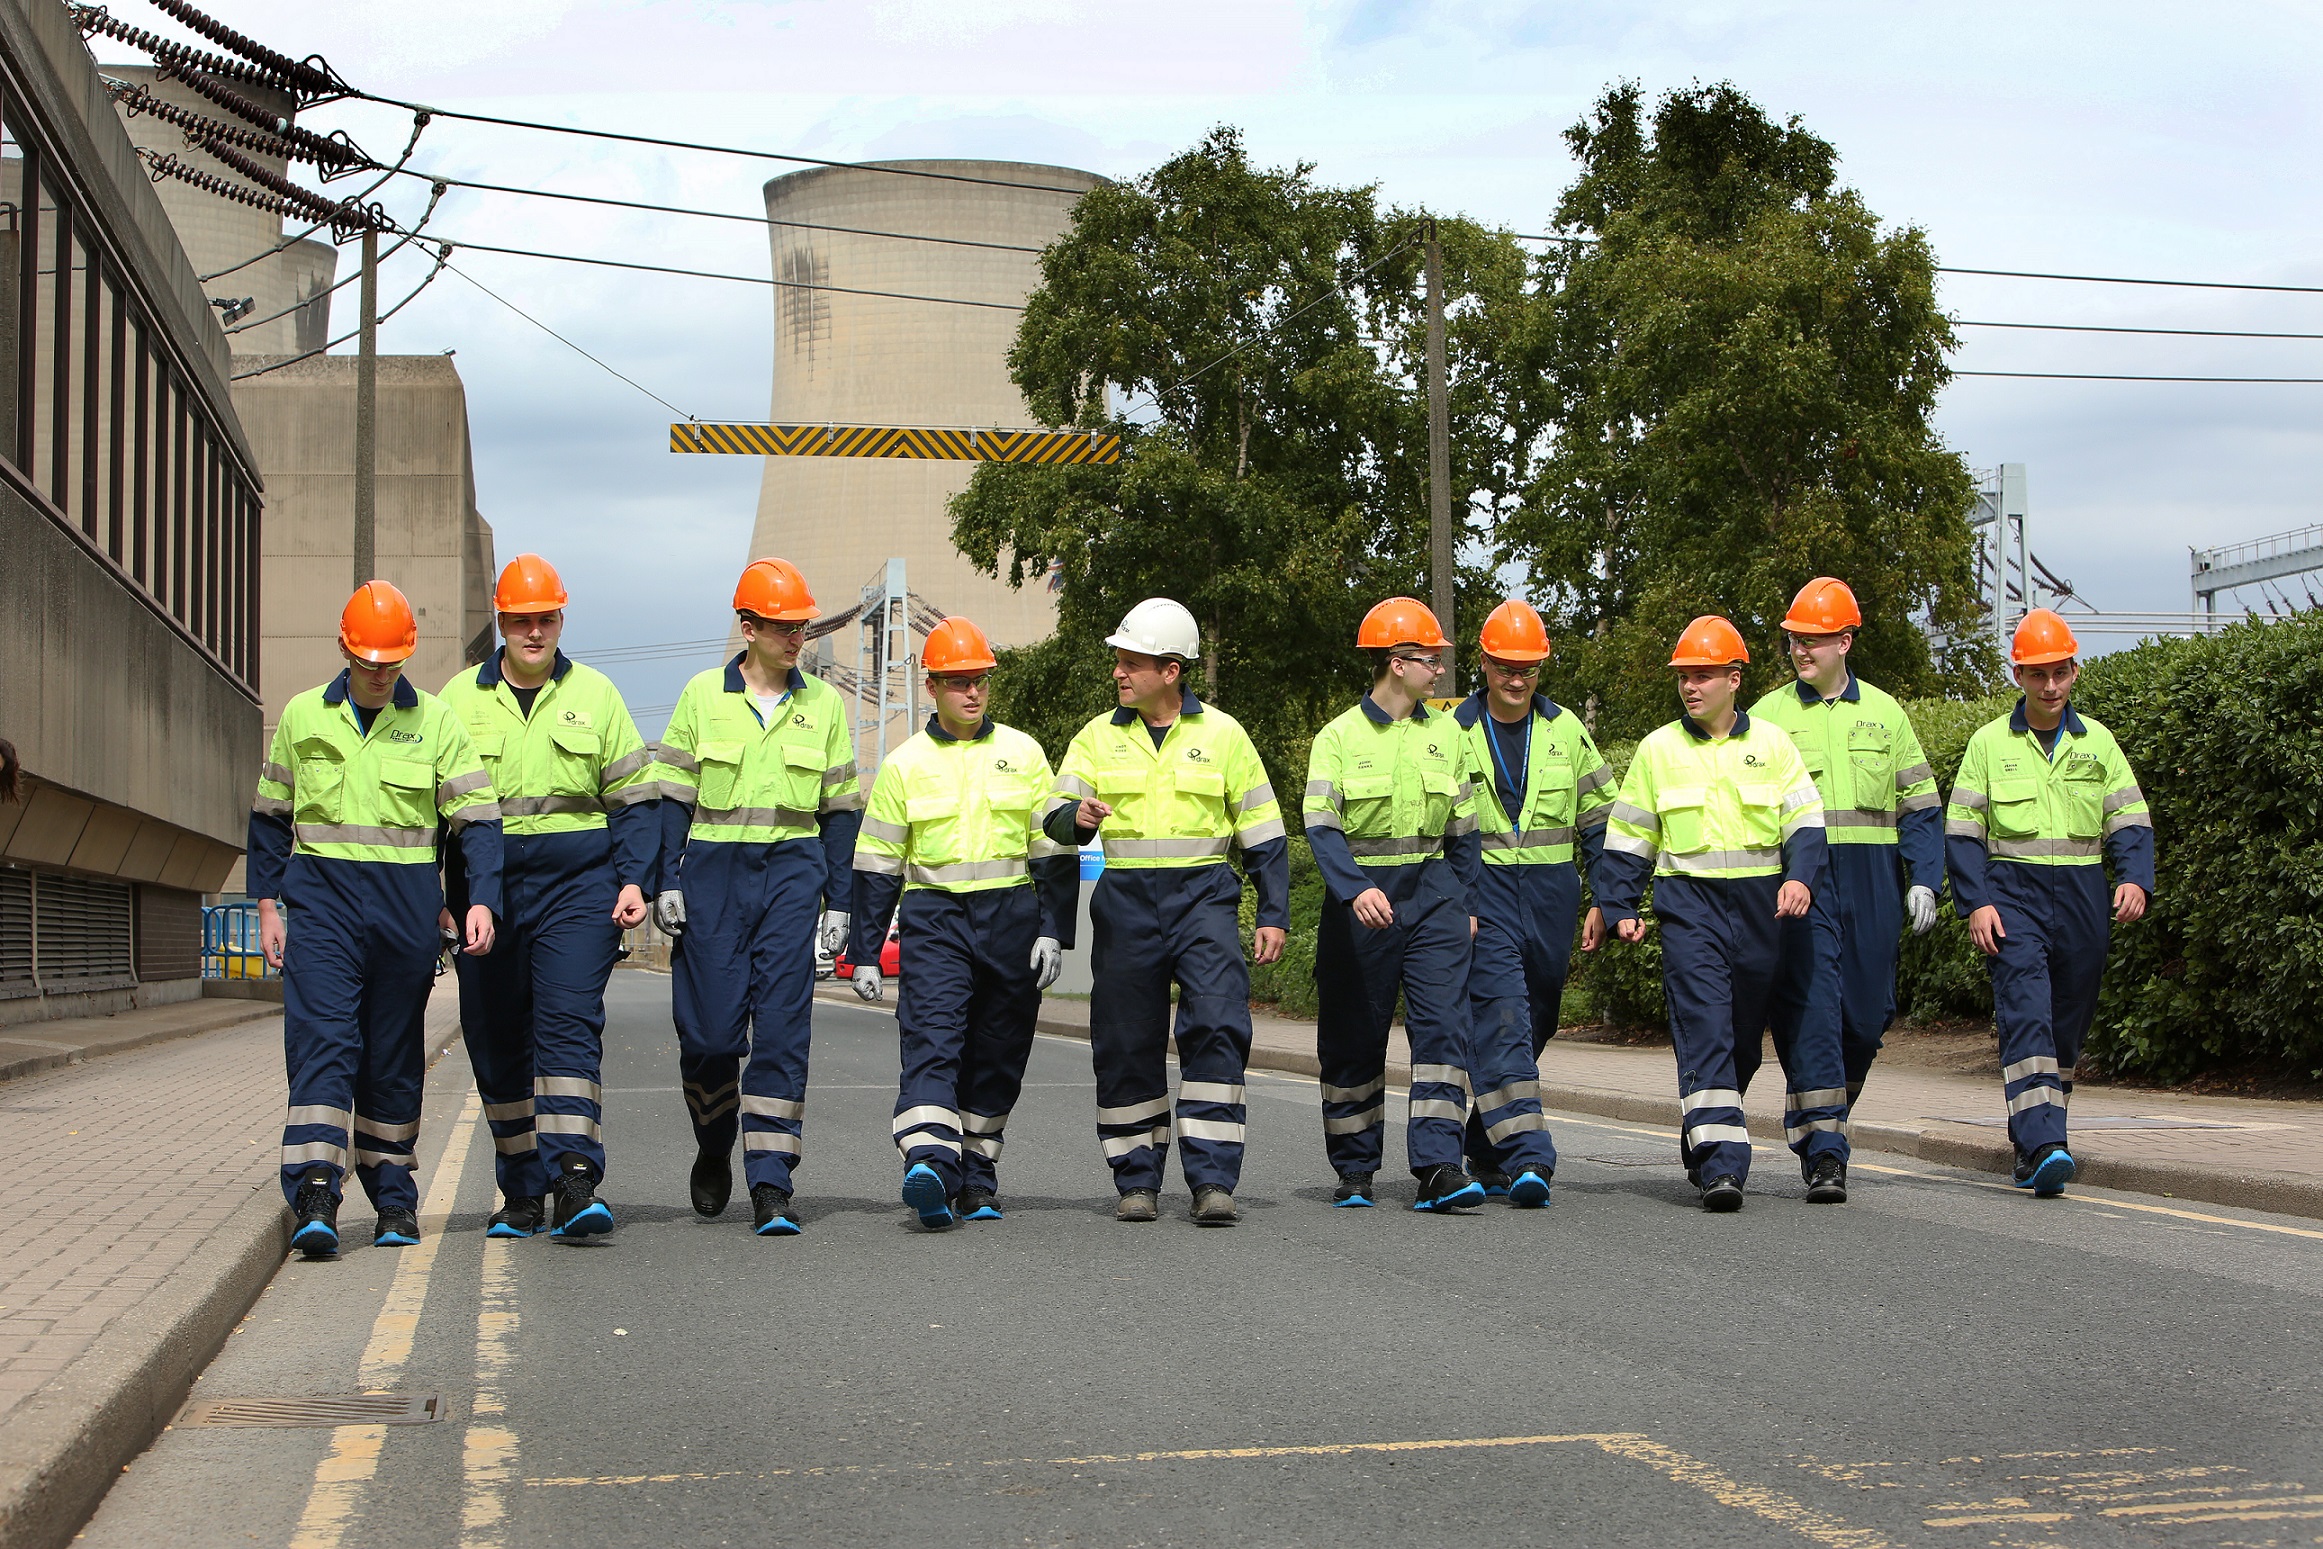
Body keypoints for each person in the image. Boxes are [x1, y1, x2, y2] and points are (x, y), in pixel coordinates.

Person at [249, 581, 502, 1256]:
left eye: (392, 660)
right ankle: (315, 1193)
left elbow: (477, 821)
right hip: (323, 909)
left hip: (403, 916)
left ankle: (393, 1196)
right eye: (369, 660)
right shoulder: (303, 718)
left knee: (391, 1059)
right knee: (323, 1045)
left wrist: (481, 898)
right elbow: (271, 819)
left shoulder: (437, 723)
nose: (381, 672)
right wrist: (268, 905)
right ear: (344, 648)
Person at [1045, 598, 1289, 1225]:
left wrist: (1274, 911)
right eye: (1119, 662)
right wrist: (1076, 819)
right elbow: (1051, 817)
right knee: (1126, 1038)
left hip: (1204, 895)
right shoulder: (1097, 737)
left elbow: (1263, 830)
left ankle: (1212, 1180)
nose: (1119, 673)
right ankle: (1136, 1179)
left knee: (1216, 1023)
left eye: (1132, 663)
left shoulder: (1224, 736)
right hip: (1125, 902)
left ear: (1172, 670)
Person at [438, 554, 658, 1240]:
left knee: (565, 1022)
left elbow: (634, 800)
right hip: (486, 893)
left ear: (561, 620)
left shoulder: (596, 696)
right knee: (496, 1036)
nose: (535, 632)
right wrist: (435, 899)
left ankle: (574, 1177)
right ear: (501, 623)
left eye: (546, 619)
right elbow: (424, 812)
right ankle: (521, 1191)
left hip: (576, 887)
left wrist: (633, 879)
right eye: (521, 620)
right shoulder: (455, 701)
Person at [652, 559, 861, 1236]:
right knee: (710, 1037)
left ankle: (771, 1180)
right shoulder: (699, 698)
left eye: (800, 625)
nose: (797, 635)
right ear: (748, 627)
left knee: (780, 1034)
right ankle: (714, 1143)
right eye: (782, 625)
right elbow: (671, 802)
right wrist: (667, 878)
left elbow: (839, 812)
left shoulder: (823, 706)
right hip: (713, 877)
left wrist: (840, 902)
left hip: (792, 876)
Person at [849, 618, 1077, 1229]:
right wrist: (866, 951)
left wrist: (1055, 929)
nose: (971, 693)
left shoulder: (1024, 753)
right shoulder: (904, 765)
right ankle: (928, 1161)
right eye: (957, 682)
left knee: (999, 1053)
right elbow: (876, 866)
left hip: (1013, 917)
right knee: (933, 1038)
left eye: (978, 680)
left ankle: (977, 1178)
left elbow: (1051, 852)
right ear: (932, 687)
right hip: (936, 918)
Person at [1594, 616, 1827, 1212]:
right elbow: (1628, 838)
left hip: (1762, 908)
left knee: (1743, 1040)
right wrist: (1618, 905)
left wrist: (1800, 878)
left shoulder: (1773, 745)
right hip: (1689, 906)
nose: (1691, 687)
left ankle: (1705, 1129)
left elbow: (1805, 823)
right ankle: (1723, 1167)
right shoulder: (1657, 750)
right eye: (1683, 677)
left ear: (1734, 678)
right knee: (1706, 1031)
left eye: (1702, 676)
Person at [1747, 577, 1944, 1202]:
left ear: (1846, 641)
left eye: (1814, 640)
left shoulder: (1886, 714)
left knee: (1866, 1017)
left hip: (1873, 879)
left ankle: (1819, 1107)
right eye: (1794, 640)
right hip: (1802, 879)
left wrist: (1925, 881)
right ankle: (1824, 1150)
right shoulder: (1768, 717)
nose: (1801, 650)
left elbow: (1919, 806)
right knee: (1813, 1013)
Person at [1945, 609, 2152, 1197]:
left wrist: (2134, 878)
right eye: (2038, 676)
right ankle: (2045, 1145)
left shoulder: (2100, 744)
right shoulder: (1989, 744)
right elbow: (1962, 831)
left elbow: (2131, 822)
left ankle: (2033, 1134)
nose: (2050, 687)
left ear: (2074, 671)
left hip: (2084, 893)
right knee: (2027, 1011)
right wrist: (1975, 903)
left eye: (2059, 673)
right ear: (2018, 676)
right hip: (2014, 895)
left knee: (2067, 1022)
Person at [1301, 597, 1486, 1213]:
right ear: (1394, 662)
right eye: (1429, 660)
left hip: (1434, 897)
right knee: (1354, 1036)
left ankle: (1438, 1166)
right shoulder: (1338, 737)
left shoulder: (1450, 736)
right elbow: (1322, 828)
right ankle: (1354, 1167)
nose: (1439, 670)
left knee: (1443, 1029)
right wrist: (1355, 889)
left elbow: (1464, 834)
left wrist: (1463, 902)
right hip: (1362, 902)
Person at [1449, 599, 1616, 1203]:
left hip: (1550, 893)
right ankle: (1529, 1157)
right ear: (1484, 663)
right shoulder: (1453, 732)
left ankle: (1483, 1141)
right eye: (1504, 667)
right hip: (1482, 891)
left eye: (1528, 668)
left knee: (1538, 1016)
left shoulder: (1566, 730)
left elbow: (1602, 821)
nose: (1516, 679)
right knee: (1503, 1017)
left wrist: (1607, 895)